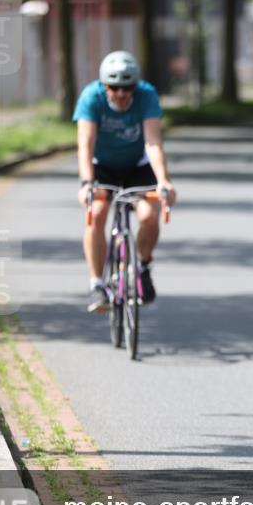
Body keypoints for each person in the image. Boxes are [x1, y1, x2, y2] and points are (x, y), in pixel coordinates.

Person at [74, 50, 177, 312]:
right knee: (97, 213)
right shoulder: (91, 97)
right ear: (103, 84)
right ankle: (97, 284)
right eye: (114, 87)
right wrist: (87, 182)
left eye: (127, 87)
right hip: (103, 167)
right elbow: (85, 144)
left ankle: (142, 266)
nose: (120, 94)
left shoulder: (147, 95)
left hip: (137, 166)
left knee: (149, 217)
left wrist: (164, 181)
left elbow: (153, 142)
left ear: (135, 85)